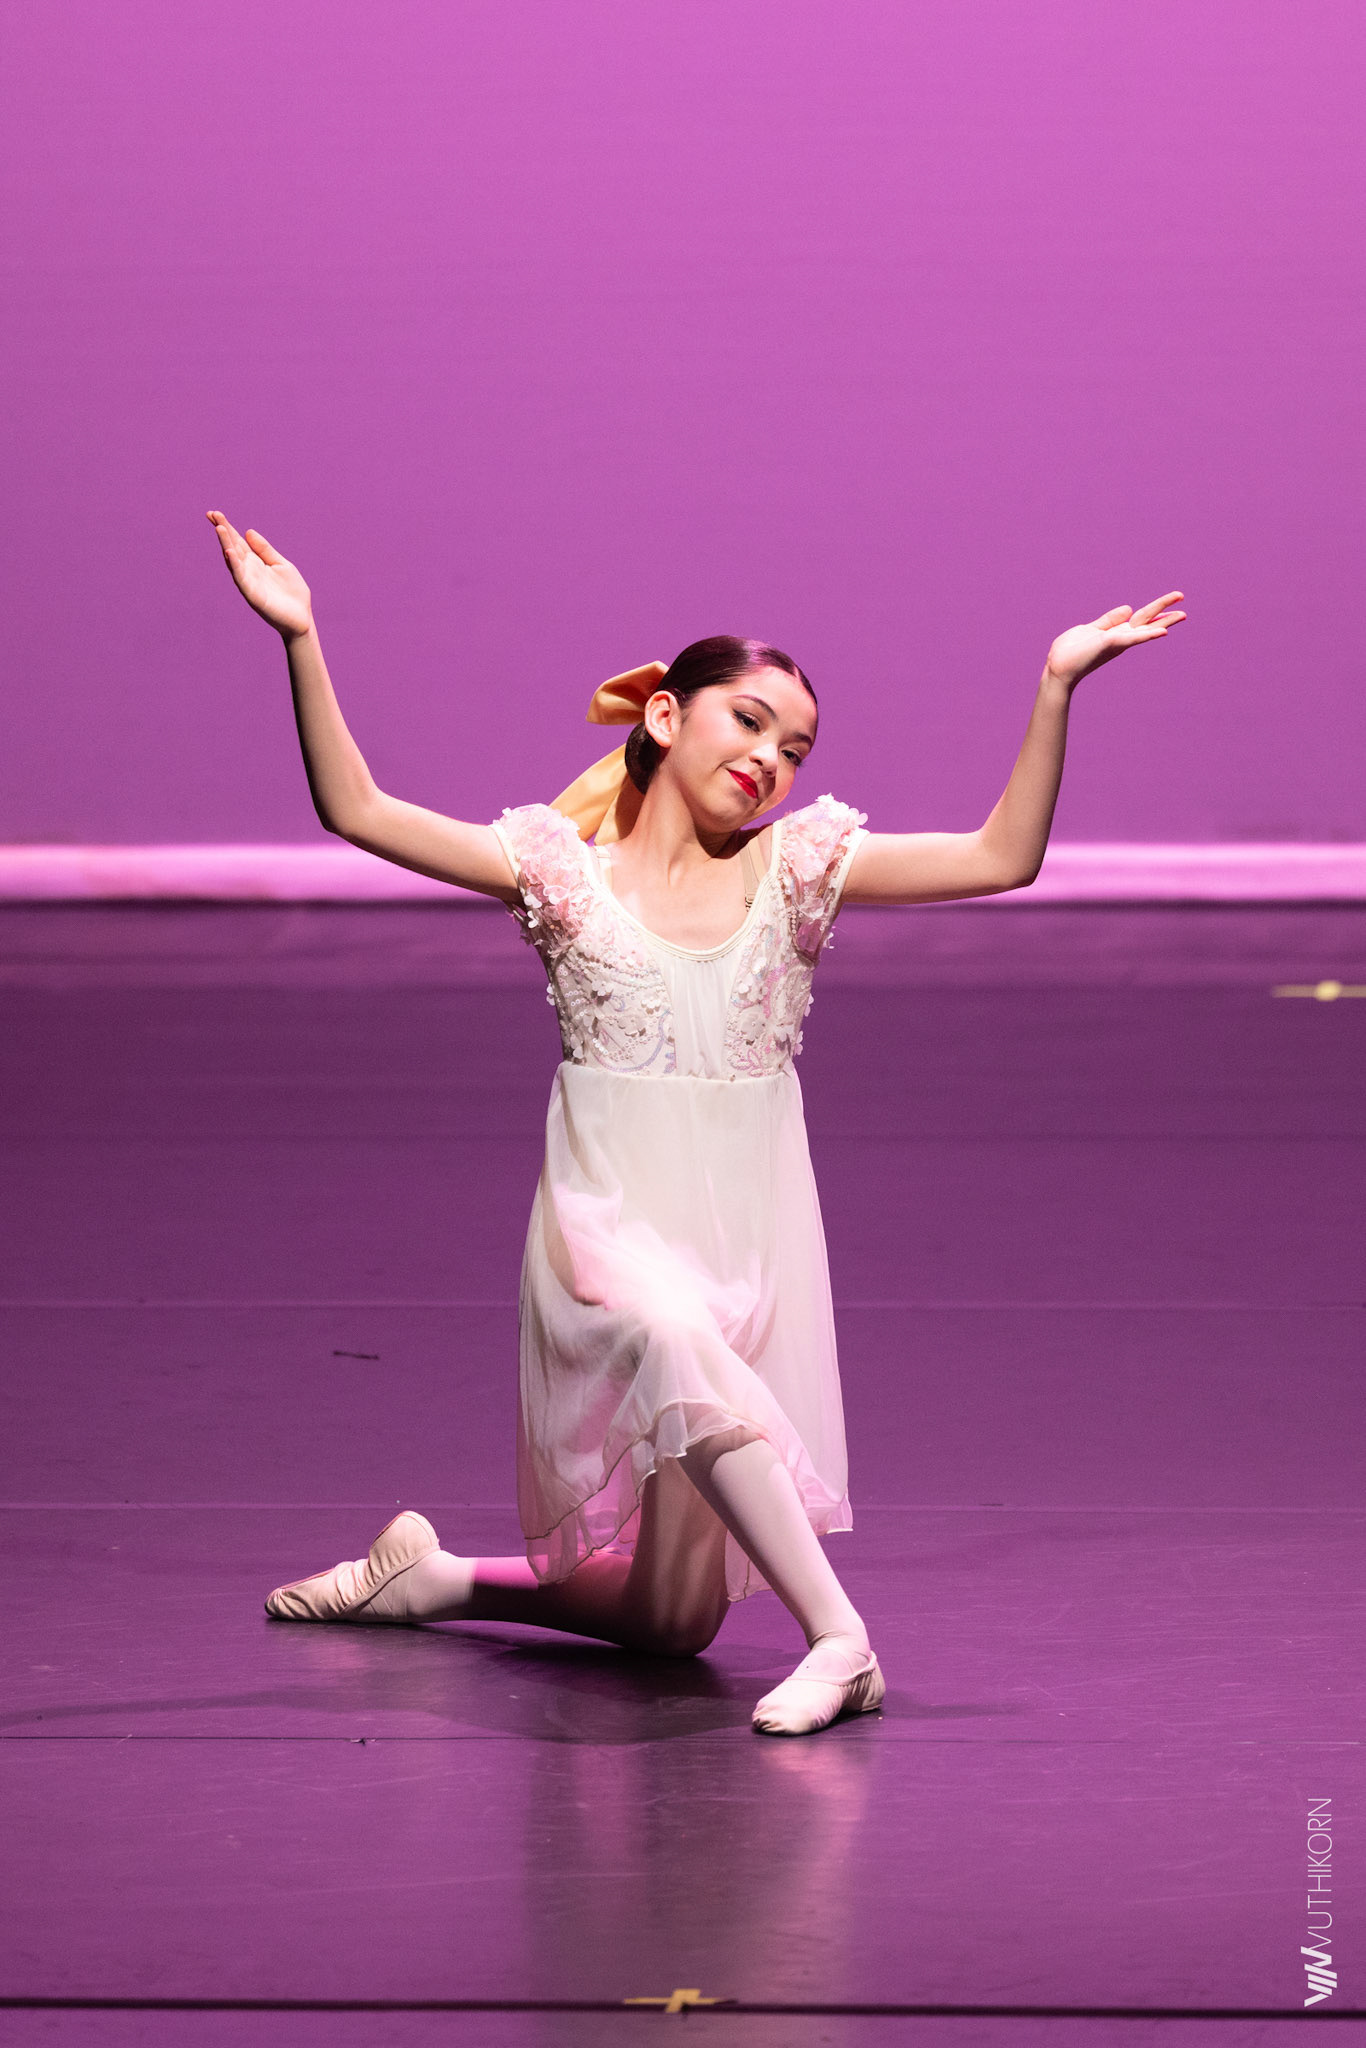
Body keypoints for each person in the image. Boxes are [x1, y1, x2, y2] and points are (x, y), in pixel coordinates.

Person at [206, 508, 1185, 1735]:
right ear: (666, 717)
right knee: (667, 1337)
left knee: (672, 1619)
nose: (772, 758)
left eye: (795, 746)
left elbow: (1002, 858)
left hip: (745, 1248)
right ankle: (843, 1640)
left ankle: (433, 1577)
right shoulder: (560, 873)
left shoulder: (797, 871)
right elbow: (357, 809)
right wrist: (300, 637)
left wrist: (1053, 685)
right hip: (609, 1232)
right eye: (749, 721)